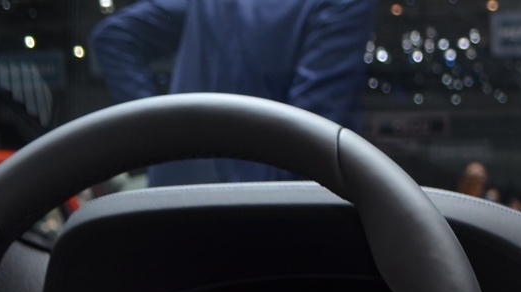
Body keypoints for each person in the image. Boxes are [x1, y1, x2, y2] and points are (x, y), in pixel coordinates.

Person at [92, 0, 374, 185]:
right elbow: (315, 143)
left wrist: (156, 144)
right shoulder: (340, 4)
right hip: (270, 213)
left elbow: (114, 36)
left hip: (173, 199)